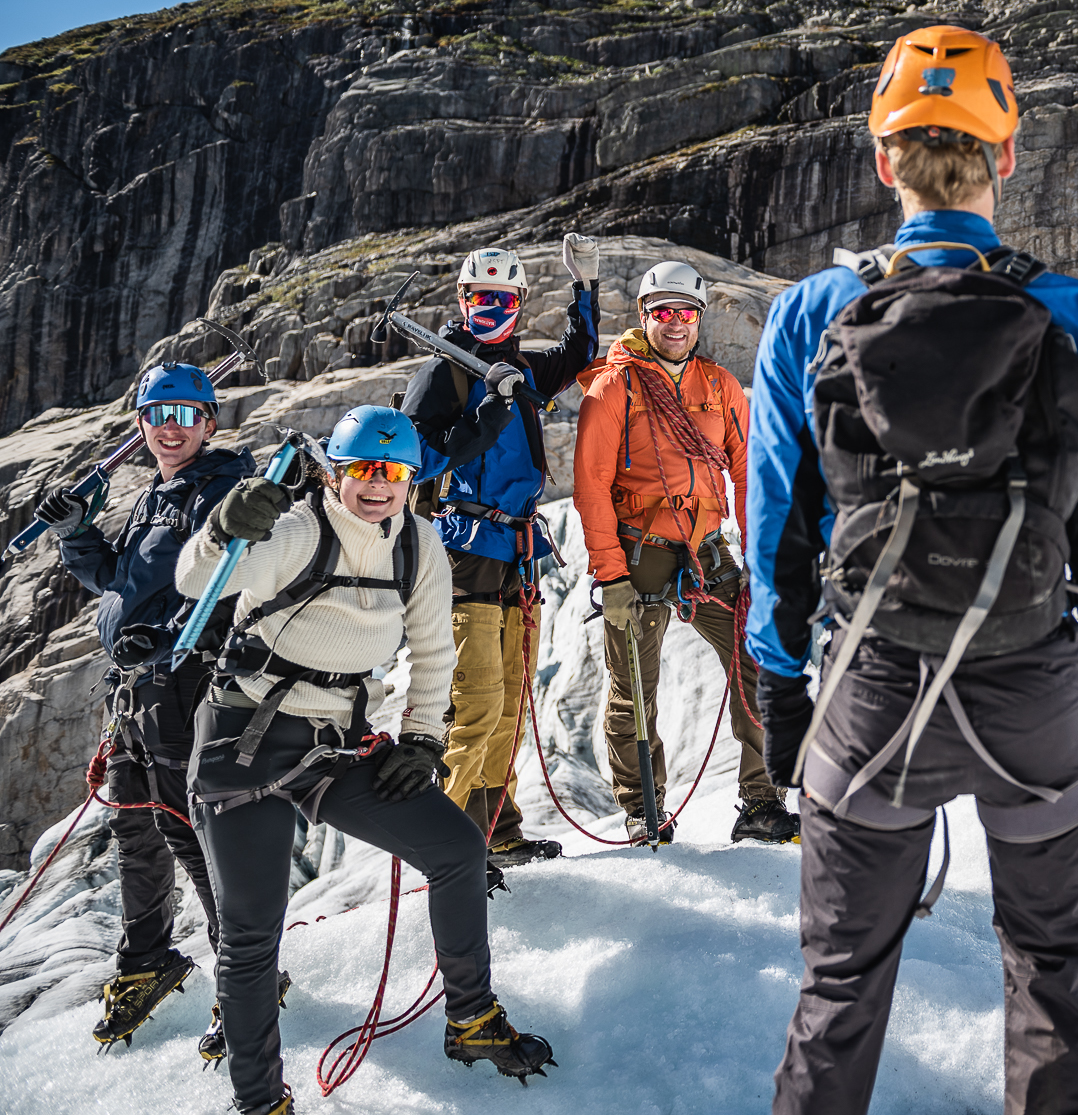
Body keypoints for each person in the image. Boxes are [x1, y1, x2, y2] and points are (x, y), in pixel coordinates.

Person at [746, 24, 1078, 1115]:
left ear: (883, 160)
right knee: (1051, 967)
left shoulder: (807, 315)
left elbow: (779, 526)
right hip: (1032, 688)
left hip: (870, 687)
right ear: (1005, 154)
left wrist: (779, 684)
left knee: (839, 983)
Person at [179, 406, 553, 1115]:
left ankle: (470, 1019)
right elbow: (203, 580)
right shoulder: (295, 529)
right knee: (254, 929)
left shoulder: (418, 545)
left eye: (394, 472)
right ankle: (259, 1100)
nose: (378, 484)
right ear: (334, 473)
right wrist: (223, 529)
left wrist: (422, 738)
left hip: (334, 745)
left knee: (457, 849)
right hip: (243, 743)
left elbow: (436, 650)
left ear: (413, 480)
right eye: (363, 469)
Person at [33, 363, 253, 1056]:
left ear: (210, 423)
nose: (171, 426)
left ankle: (244, 977)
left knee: (192, 829)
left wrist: (169, 634)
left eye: (187, 414)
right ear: (140, 424)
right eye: (158, 412)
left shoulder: (219, 490)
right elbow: (116, 577)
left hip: (186, 683)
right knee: (134, 823)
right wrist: (76, 530)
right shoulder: (157, 495)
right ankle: (147, 957)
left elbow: (230, 574)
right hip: (136, 687)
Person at [572, 258, 797, 846]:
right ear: (645, 315)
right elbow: (591, 484)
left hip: (706, 549)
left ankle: (762, 803)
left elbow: (748, 475)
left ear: (699, 319)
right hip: (638, 549)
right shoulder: (612, 386)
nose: (675, 323)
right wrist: (612, 576)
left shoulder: (719, 388)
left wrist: (761, 562)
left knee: (757, 660)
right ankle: (644, 809)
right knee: (634, 688)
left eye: (686, 312)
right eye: (662, 312)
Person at [402, 236, 600, 868]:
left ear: (519, 301)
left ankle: (495, 829)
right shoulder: (444, 373)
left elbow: (576, 358)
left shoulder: (516, 364)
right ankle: (451, 849)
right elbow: (417, 460)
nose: (493, 308)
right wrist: (489, 409)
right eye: (482, 298)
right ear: (463, 300)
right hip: (462, 554)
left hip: (514, 551)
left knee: (510, 700)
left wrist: (584, 291)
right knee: (477, 700)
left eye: (505, 298)